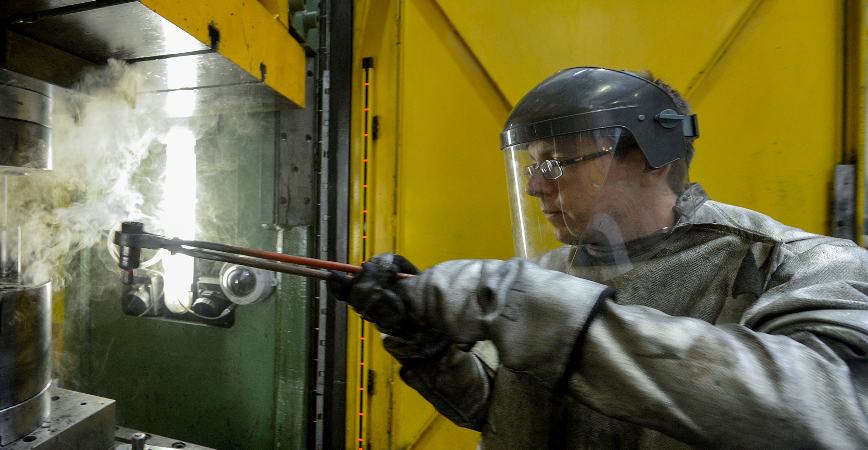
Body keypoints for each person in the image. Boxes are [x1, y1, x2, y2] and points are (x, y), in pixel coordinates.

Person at [330, 67, 868, 449]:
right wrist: (428, 349)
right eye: (532, 166)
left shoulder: (794, 263)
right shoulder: (553, 275)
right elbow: (509, 415)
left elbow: (833, 416)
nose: (538, 186)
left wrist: (544, 315)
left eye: (560, 162)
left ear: (654, 158)